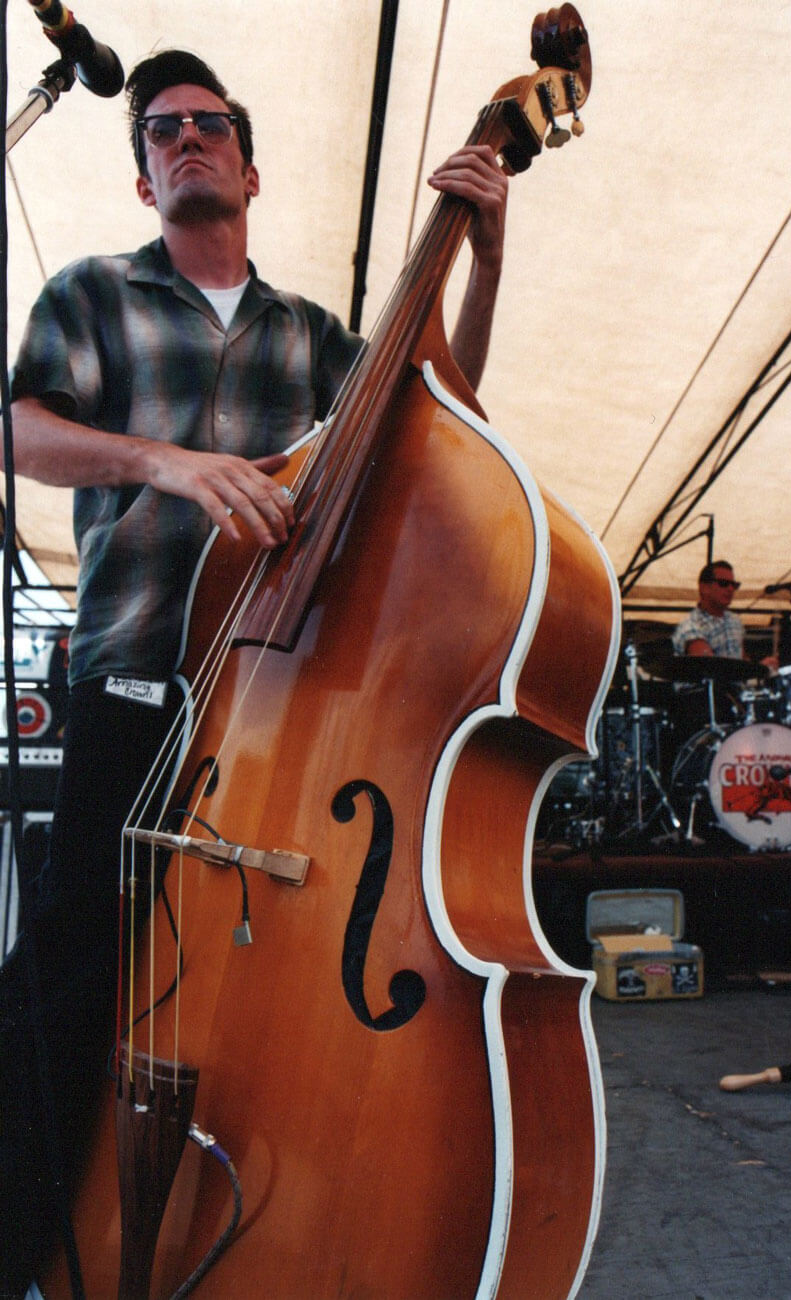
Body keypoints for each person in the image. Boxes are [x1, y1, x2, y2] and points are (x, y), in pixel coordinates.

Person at [0, 48, 509, 1295]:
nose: (182, 138)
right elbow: (19, 429)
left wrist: (486, 260)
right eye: (160, 130)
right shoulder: (91, 295)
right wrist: (166, 465)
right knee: (74, 961)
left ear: (249, 165)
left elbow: (441, 412)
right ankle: (27, 1244)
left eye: (205, 124)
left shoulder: (315, 336)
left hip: (279, 707)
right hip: (133, 679)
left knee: (258, 967)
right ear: (142, 180)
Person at [672, 560, 778, 669]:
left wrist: (761, 667)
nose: (730, 589)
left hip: (734, 684)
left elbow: (741, 661)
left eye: (734, 585)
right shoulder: (691, 626)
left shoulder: (735, 620)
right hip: (706, 685)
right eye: (723, 583)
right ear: (704, 588)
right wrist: (754, 670)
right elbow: (709, 669)